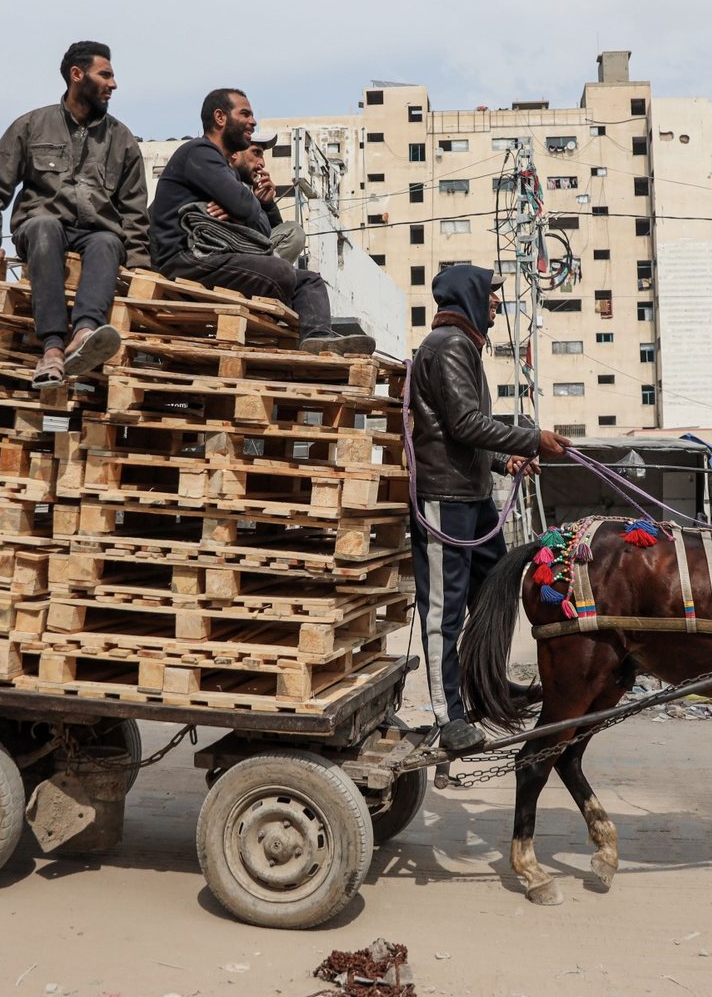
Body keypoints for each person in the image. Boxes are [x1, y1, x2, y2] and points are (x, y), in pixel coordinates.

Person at [407, 264, 571, 752]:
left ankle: (488, 686)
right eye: (492, 295)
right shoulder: (449, 346)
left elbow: (464, 430)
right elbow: (463, 423)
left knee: (493, 593)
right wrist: (532, 438)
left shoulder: (463, 348)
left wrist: (504, 459)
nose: (497, 302)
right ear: (471, 297)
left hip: (470, 494)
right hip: (445, 499)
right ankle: (446, 716)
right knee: (444, 611)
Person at [0, 41, 152, 389]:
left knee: (108, 241)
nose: (113, 85)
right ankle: (52, 348)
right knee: (44, 226)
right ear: (77, 75)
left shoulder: (121, 138)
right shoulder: (32, 126)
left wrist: (140, 268)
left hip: (95, 232)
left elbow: (134, 211)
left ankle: (84, 334)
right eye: (105, 75)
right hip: (41, 227)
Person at [149, 89, 372, 355]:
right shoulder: (199, 152)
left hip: (216, 257)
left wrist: (255, 204)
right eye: (245, 113)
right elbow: (243, 206)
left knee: (310, 281)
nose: (253, 122)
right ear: (220, 117)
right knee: (280, 271)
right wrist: (243, 204)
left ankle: (318, 338)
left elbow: (262, 231)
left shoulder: (228, 172)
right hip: (186, 260)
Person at [229, 129, 304, 263]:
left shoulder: (245, 189)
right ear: (234, 153)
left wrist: (267, 204)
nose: (262, 163)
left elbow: (272, 237)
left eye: (262, 155)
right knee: (294, 232)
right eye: (256, 152)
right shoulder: (221, 179)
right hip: (227, 256)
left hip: (244, 255)